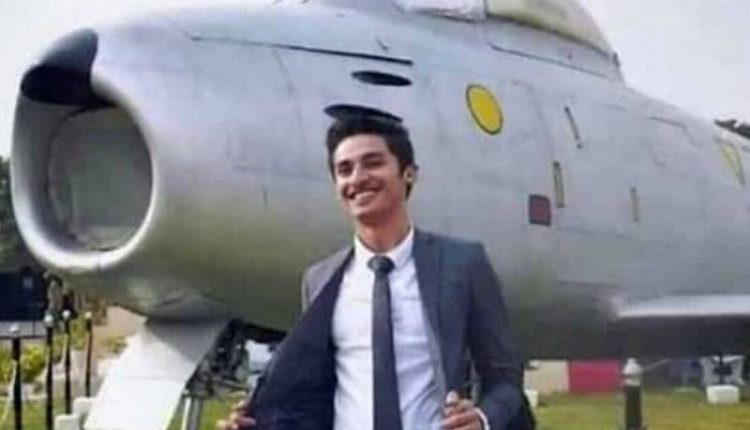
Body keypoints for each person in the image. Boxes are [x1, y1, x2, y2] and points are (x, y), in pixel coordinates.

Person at [218, 115, 533, 430]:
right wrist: (258, 421)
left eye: (373, 163)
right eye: (345, 170)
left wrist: (482, 419)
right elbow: (311, 395)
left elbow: (505, 378)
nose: (357, 178)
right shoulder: (319, 280)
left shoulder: (462, 264)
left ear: (409, 173)